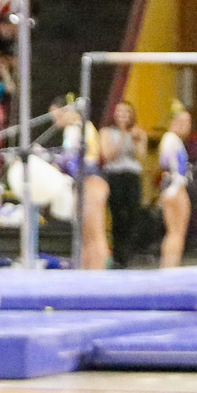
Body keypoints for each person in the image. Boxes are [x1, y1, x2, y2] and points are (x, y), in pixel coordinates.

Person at [51, 97, 111, 271]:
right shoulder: (79, 127)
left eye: (55, 115)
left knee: (95, 234)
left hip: (90, 181)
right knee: (85, 236)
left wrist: (52, 161)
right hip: (84, 182)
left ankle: (98, 277)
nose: (55, 121)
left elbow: (70, 157)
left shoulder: (76, 127)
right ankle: (85, 274)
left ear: (66, 111)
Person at [99, 99, 148, 266]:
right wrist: (121, 136)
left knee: (134, 213)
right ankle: (118, 255)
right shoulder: (107, 132)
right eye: (119, 112)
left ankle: (129, 251)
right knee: (117, 214)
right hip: (115, 174)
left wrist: (137, 140)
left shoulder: (138, 132)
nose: (123, 116)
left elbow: (141, 157)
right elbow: (107, 155)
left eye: (126, 113)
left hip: (132, 175)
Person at [156, 102, 193, 269]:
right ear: (175, 122)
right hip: (176, 188)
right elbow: (173, 167)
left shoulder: (168, 139)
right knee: (177, 232)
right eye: (184, 123)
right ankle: (171, 267)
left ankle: (169, 266)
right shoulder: (173, 140)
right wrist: (175, 187)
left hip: (169, 187)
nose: (187, 127)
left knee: (173, 232)